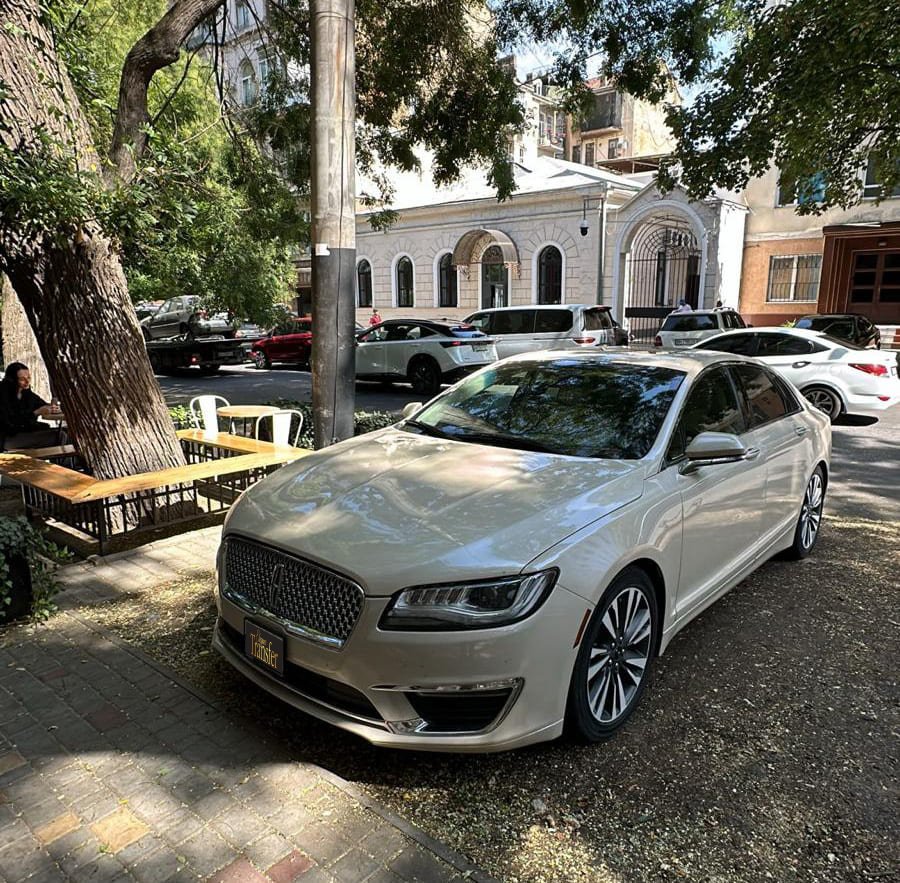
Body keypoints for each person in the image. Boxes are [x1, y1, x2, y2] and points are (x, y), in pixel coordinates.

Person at [0, 363, 61, 451]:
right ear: (12, 380)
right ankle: (63, 464)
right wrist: (36, 413)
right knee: (60, 436)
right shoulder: (3, 395)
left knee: (65, 432)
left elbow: (41, 404)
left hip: (25, 433)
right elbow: (11, 423)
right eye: (22, 379)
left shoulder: (26, 393)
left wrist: (52, 407)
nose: (27, 382)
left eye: (28, 378)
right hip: (7, 439)